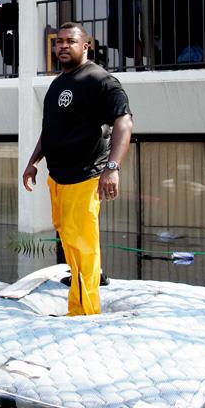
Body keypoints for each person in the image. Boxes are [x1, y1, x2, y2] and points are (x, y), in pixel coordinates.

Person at [23, 23, 133, 317]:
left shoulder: (100, 80)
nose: (62, 46)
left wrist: (112, 167)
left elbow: (124, 122)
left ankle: (85, 313)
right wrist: (33, 162)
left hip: (85, 177)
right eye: (58, 42)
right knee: (70, 242)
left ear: (85, 45)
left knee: (83, 246)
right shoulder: (56, 85)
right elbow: (50, 130)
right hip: (58, 178)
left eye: (70, 41)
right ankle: (84, 293)